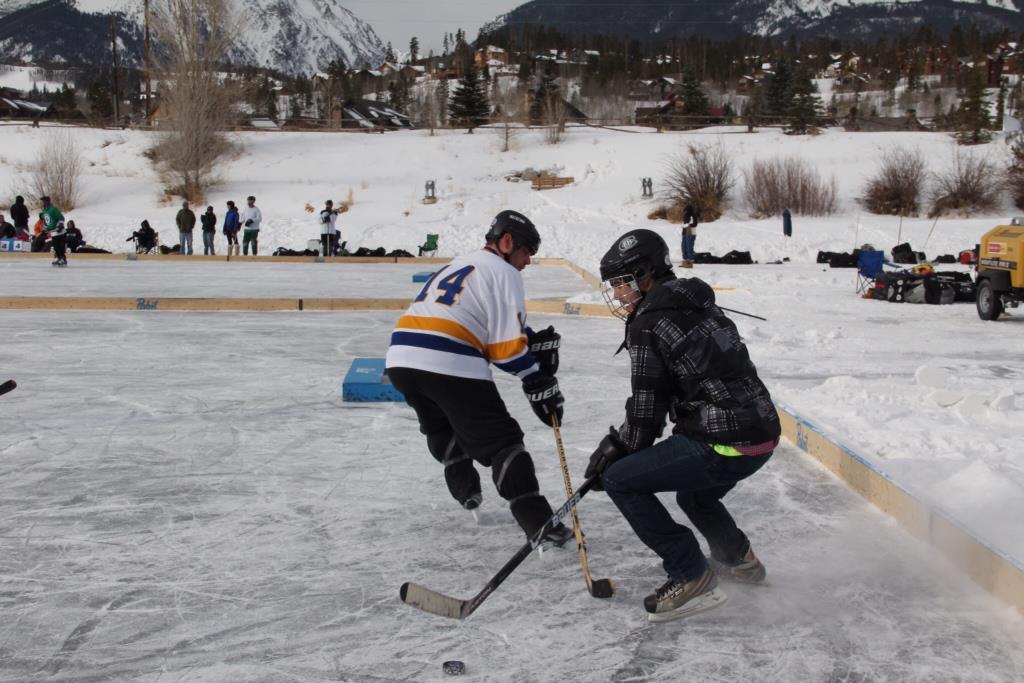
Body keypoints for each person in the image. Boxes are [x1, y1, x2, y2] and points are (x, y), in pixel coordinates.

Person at [585, 228, 780, 623]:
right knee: (696, 495)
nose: (618, 294)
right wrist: (621, 443)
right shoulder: (700, 305)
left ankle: (690, 574)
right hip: (764, 435)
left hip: (722, 440)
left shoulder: (648, 323)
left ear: (645, 274)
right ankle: (738, 561)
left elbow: (646, 412)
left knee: (623, 481)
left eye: (622, 283)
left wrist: (615, 454)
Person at [385, 210, 573, 548]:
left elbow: (474, 317)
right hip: (449, 361)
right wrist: (536, 378)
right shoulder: (504, 272)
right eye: (526, 251)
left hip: (400, 357)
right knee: (503, 442)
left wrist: (527, 337)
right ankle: (540, 524)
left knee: (442, 423)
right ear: (506, 242)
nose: (528, 261)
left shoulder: (461, 263)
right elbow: (505, 350)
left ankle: (462, 481)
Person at [39, 196, 66, 266]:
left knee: (58, 246)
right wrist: (44, 229)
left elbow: (61, 217)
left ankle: (62, 258)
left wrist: (60, 225)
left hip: (59, 231)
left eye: (42, 202)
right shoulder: (44, 211)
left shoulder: (53, 209)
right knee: (55, 246)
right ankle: (58, 257)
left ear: (46, 202)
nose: (41, 203)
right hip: (53, 232)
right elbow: (47, 222)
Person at [680, 203, 698, 268]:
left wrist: (688, 225)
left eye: (686, 210)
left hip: (691, 233)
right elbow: (686, 223)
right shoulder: (686, 215)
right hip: (684, 233)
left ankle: (690, 263)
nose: (684, 211)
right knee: (683, 247)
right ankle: (685, 261)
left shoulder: (693, 215)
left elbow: (695, 224)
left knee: (689, 247)